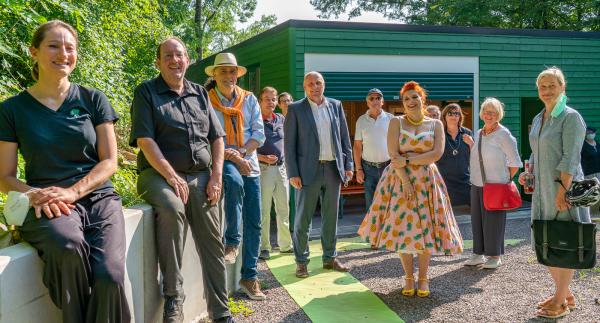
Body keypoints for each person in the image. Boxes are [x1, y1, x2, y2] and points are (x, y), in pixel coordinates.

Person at [0, 20, 130, 322]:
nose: (63, 53)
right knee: (67, 245)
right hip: (47, 203)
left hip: (98, 198)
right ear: (34, 52)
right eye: (53, 46)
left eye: (70, 47)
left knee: (110, 275)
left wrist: (73, 192)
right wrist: (35, 194)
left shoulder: (92, 99)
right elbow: (4, 176)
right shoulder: (12, 110)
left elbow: (110, 161)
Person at [130, 38, 234, 323]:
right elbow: (145, 139)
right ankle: (174, 300)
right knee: (172, 208)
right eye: (168, 55)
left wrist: (216, 176)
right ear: (158, 62)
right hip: (158, 174)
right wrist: (171, 174)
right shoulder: (146, 93)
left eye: (180, 55)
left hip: (201, 176)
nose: (175, 60)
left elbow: (217, 138)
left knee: (212, 238)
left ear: (188, 60)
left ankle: (221, 311)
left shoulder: (200, 93)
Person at [358, 81, 463, 298]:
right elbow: (393, 155)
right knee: (403, 228)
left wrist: (407, 160)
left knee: (426, 227)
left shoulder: (436, 124)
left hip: (427, 181)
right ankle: (408, 276)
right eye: (406, 99)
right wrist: (405, 180)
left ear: (422, 99)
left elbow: (436, 154)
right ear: (402, 103)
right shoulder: (396, 122)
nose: (411, 101)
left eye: (415, 97)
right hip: (398, 181)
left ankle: (423, 278)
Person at [518, 67, 589, 319]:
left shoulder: (571, 117)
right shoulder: (539, 119)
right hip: (542, 190)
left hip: (562, 188)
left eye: (552, 85)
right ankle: (565, 294)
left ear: (562, 87)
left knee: (564, 241)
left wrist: (563, 190)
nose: (547, 90)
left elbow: (571, 157)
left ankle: (560, 301)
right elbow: (536, 153)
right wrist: (529, 172)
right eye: (543, 86)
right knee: (547, 239)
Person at [204, 53, 266, 300]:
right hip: (222, 159)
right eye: (223, 72)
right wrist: (232, 156)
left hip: (249, 160)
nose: (228, 76)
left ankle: (249, 277)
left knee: (255, 221)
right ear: (215, 75)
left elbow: (258, 134)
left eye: (232, 72)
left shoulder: (249, 99)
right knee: (233, 180)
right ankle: (231, 241)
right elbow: (207, 136)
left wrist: (241, 153)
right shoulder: (206, 100)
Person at [284, 71, 353, 278]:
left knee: (331, 217)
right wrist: (293, 172)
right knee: (303, 220)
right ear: (305, 87)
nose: (315, 87)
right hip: (306, 171)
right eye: (310, 84)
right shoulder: (295, 109)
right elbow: (289, 145)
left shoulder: (335, 105)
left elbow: (344, 137)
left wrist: (348, 164)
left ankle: (329, 258)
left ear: (324, 85)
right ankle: (301, 262)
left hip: (333, 169)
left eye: (318, 83)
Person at [465, 98, 522, 269]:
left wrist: (504, 181)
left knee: (493, 221)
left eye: (493, 112)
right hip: (477, 183)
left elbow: (515, 163)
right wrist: (471, 145)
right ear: (481, 113)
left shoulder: (504, 134)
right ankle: (478, 254)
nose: (488, 115)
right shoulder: (480, 133)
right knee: (477, 221)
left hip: (496, 185)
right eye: (486, 111)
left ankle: (494, 256)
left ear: (499, 115)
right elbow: (481, 155)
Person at [257, 86, 293, 260]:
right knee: (264, 210)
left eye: (273, 99)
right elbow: (246, 148)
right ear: (260, 101)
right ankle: (264, 247)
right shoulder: (254, 120)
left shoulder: (281, 119)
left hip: (281, 169)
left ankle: (286, 245)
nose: (270, 102)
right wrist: (262, 158)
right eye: (267, 99)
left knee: (283, 209)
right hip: (263, 170)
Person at [353, 88, 393, 212]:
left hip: (388, 166)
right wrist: (358, 169)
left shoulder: (391, 119)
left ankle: (387, 230)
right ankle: (371, 231)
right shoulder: (361, 120)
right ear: (367, 102)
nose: (375, 100)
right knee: (371, 204)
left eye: (378, 98)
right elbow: (357, 147)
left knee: (389, 202)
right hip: (368, 169)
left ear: (382, 101)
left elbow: (397, 143)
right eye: (371, 98)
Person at [436, 103, 474, 206]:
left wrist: (471, 144)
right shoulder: (439, 133)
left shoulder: (467, 133)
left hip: (464, 182)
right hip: (443, 182)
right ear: (444, 116)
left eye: (457, 113)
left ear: (460, 116)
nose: (454, 116)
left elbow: (475, 156)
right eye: (450, 113)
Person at [581, 127, 600, 215]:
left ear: (595, 133)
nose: (590, 134)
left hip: (599, 173)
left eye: (591, 132)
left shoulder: (598, 145)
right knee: (592, 195)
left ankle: (598, 215)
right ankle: (591, 215)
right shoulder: (583, 145)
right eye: (588, 132)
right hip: (589, 175)